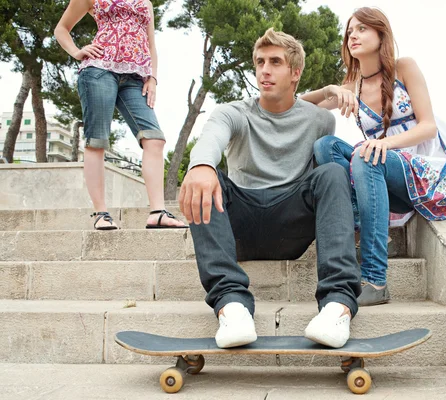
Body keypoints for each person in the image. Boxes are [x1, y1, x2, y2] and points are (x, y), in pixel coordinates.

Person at [178, 28, 361, 349]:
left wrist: (327, 90)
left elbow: (295, 107)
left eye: (275, 62)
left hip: (291, 224)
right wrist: (202, 166)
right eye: (260, 61)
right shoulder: (233, 112)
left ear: (295, 72)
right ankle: (231, 305)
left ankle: (338, 305)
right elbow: (212, 137)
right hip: (241, 225)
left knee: (332, 172)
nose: (264, 69)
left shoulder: (320, 120)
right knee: (207, 176)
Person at [300, 7, 446, 306]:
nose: (353, 34)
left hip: (429, 172)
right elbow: (300, 104)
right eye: (350, 30)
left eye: (362, 28)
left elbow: (428, 127)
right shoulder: (353, 86)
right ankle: (361, 226)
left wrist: (386, 143)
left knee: (366, 156)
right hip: (384, 173)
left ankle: (376, 280)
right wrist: (331, 89)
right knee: (326, 146)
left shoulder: (404, 67)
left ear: (381, 34)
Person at [55, 0, 187, 230]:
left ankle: (157, 212)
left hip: (135, 78)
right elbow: (61, 28)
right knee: (97, 141)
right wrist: (77, 52)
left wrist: (153, 78)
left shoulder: (145, 2)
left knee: (154, 139)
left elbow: (150, 44)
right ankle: (101, 214)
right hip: (99, 69)